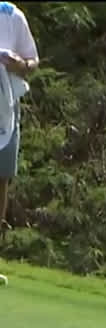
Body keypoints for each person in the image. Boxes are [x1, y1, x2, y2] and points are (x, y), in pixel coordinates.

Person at [0, 1, 40, 287]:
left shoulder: (12, 15)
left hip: (6, 110)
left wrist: (20, 65)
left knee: (1, 180)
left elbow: (32, 61)